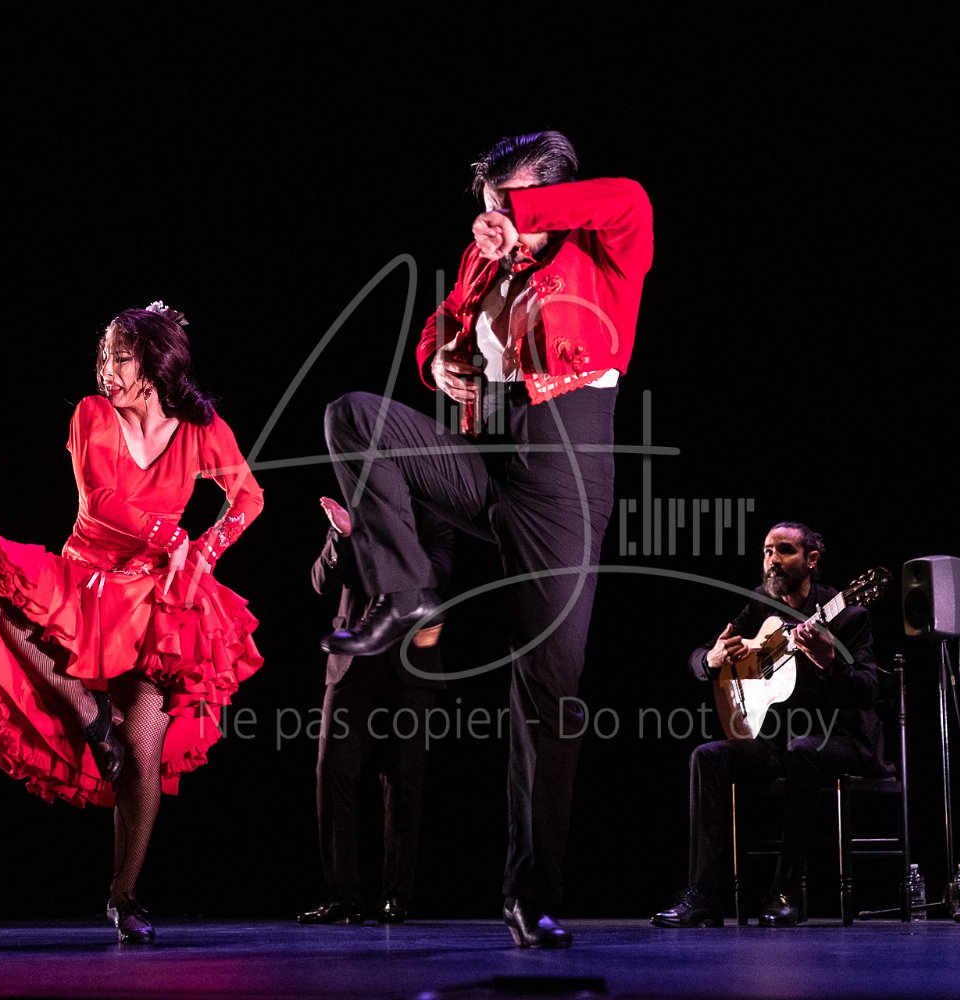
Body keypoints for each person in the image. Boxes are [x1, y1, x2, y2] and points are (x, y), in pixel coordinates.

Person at [321, 130, 653, 948]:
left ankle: (529, 894)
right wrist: (436, 364)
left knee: (548, 686)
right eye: (489, 203)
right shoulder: (482, 262)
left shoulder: (605, 249)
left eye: (512, 202)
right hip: (486, 453)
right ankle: (406, 592)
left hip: (562, 470)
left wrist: (522, 214)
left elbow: (628, 198)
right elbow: (440, 330)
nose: (494, 220)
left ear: (550, 197)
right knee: (354, 417)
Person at [0, 301, 265, 945]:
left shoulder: (200, 428)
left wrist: (206, 551)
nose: (106, 370)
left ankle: (124, 894)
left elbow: (249, 496)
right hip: (88, 585)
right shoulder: (93, 414)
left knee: (144, 752)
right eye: (103, 357)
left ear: (154, 364)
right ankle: (85, 707)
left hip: (156, 603)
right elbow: (102, 501)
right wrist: (173, 535)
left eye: (120, 358)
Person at [651, 522, 886, 929]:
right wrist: (711, 659)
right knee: (708, 756)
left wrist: (831, 664)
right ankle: (703, 897)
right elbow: (702, 655)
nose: (771, 560)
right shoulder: (761, 605)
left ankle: (787, 891)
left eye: (784, 550)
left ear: (812, 559)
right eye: (766, 551)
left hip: (842, 739)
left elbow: (868, 691)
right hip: (778, 740)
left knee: (803, 750)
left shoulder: (850, 614)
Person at [298, 495, 451, 926]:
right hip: (352, 665)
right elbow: (321, 582)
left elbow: (437, 573)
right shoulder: (355, 513)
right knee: (333, 772)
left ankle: (396, 896)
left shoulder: (432, 515)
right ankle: (342, 896)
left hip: (411, 665)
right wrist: (340, 536)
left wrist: (376, 539)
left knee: (403, 781)